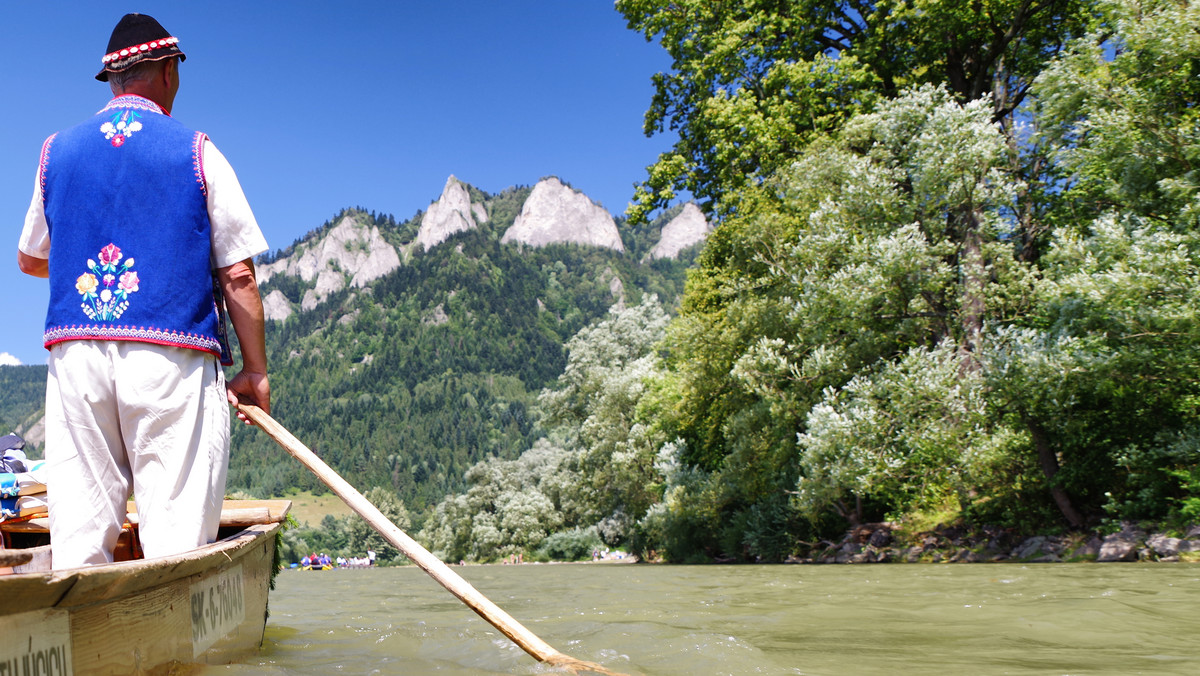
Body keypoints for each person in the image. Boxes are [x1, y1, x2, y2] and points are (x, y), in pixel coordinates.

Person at [16, 13, 270, 569]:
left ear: (112, 79)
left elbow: (31, 258)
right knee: (175, 534)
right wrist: (255, 372)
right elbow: (239, 276)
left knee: (79, 536)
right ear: (166, 72)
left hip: (77, 356)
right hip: (169, 353)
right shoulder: (197, 150)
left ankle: (81, 632)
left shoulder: (55, 152)